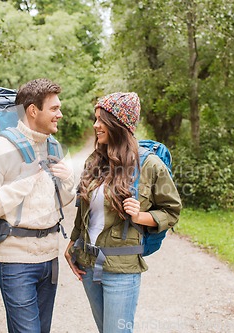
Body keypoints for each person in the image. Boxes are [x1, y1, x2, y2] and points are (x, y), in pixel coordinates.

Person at [64, 92, 182, 333]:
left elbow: (172, 211)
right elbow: (82, 207)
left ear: (119, 124)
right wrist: (73, 242)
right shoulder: (95, 161)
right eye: (95, 119)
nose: (95, 125)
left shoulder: (149, 165)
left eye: (101, 119)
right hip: (88, 265)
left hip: (122, 271)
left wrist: (139, 217)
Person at [0, 78, 75, 333]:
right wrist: (22, 183)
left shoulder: (53, 146)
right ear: (32, 110)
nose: (59, 115)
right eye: (53, 109)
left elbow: (60, 202)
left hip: (49, 258)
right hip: (15, 261)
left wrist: (68, 182)